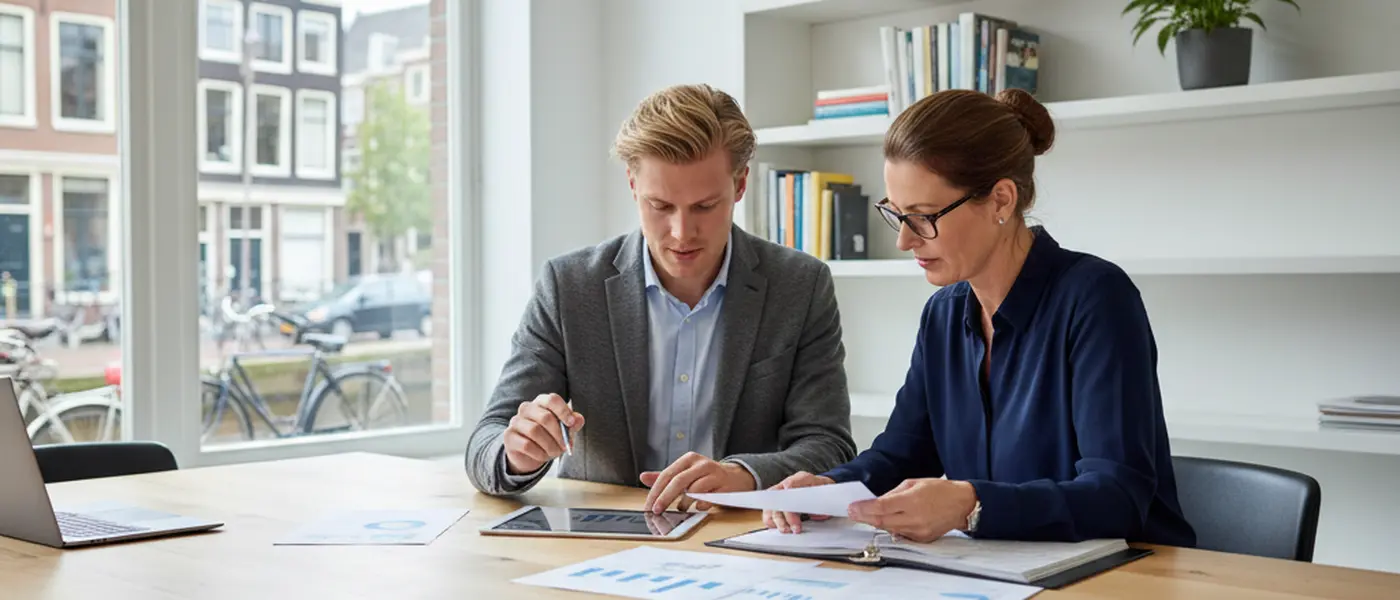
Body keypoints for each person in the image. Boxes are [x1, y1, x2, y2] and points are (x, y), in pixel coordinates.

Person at [761, 88, 1198, 548]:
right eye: (897, 214)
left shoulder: (1096, 299)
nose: (904, 241)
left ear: (1001, 201)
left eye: (925, 217)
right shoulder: (944, 314)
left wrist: (971, 504)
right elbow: (904, 452)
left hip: (1130, 577)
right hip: (1001, 575)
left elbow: (1118, 498)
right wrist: (831, 488)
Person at [465, 83, 858, 513]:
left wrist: (743, 475)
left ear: (741, 183)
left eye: (705, 206)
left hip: (741, 538)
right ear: (633, 185)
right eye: (661, 205)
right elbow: (487, 440)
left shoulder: (800, 286)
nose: (681, 233)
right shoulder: (570, 286)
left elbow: (830, 445)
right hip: (600, 544)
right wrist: (517, 453)